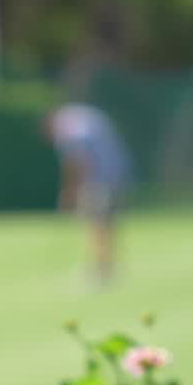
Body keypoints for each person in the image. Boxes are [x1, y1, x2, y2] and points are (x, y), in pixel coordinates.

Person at [43, 103, 131, 284]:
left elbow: (78, 161)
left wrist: (70, 191)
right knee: (106, 225)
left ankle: (100, 270)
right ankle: (106, 266)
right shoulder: (83, 116)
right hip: (116, 174)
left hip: (98, 180)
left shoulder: (68, 128)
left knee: (96, 224)